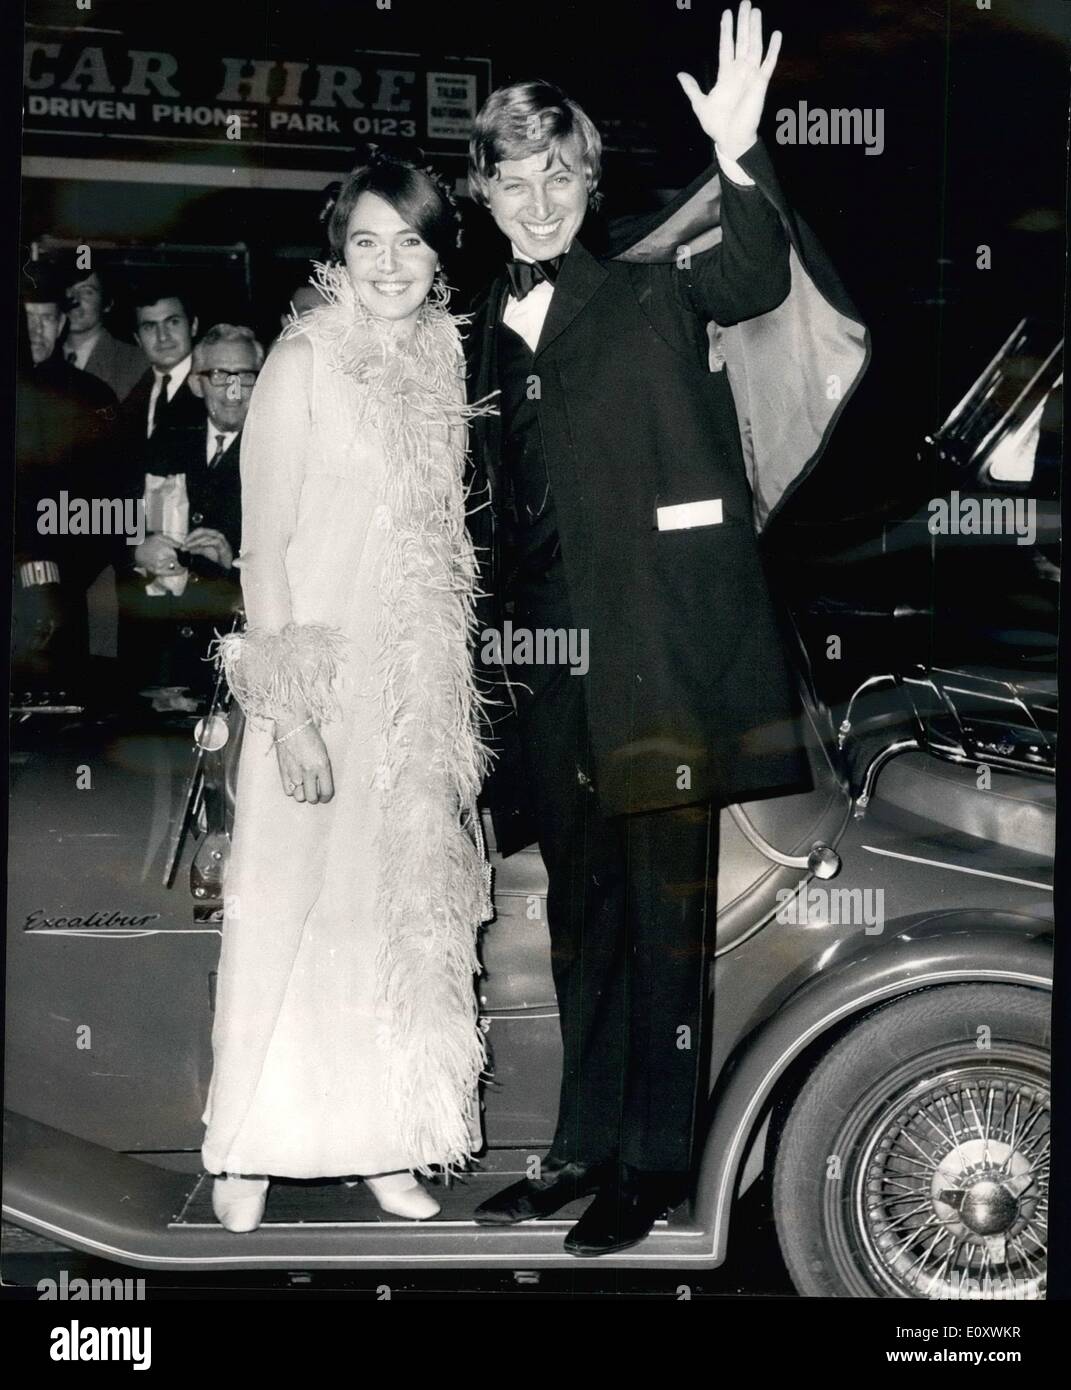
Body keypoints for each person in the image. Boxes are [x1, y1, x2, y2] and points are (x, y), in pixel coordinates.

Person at [465, 3, 868, 1255]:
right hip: (547, 679)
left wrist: (742, 154)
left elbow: (753, 271)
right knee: (579, 918)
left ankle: (652, 1164)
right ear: (481, 193)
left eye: (557, 175)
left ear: (589, 182)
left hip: (662, 671)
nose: (536, 201)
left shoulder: (653, 291)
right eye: (511, 180)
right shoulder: (476, 329)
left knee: (660, 921)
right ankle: (578, 1146)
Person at [201, 149, 492, 1233]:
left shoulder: (443, 363)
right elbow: (261, 550)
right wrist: (288, 713)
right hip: (314, 687)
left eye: (409, 240)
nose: (388, 263)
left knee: (391, 919)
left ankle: (382, 1140)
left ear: (436, 252)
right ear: (337, 252)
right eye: (365, 241)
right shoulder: (301, 360)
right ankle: (243, 1149)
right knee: (279, 908)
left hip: (411, 695)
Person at [114, 324, 255, 706]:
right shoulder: (164, 441)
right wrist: (136, 549)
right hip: (158, 656)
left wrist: (234, 566)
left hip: (234, 659)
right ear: (196, 384)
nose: (232, 391)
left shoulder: (280, 455)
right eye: (219, 375)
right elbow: (113, 520)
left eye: (245, 376)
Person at [59, 265, 147, 402]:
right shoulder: (40, 356)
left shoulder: (137, 363)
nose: (74, 299)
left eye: (87, 292)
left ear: (107, 304)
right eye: (69, 289)